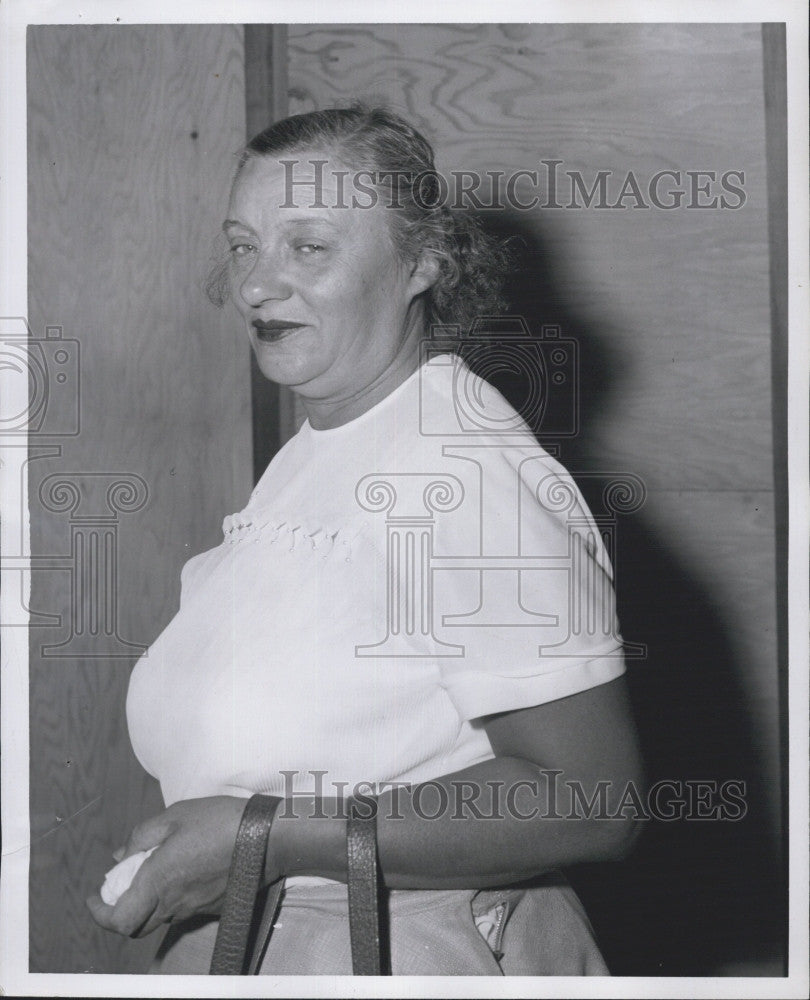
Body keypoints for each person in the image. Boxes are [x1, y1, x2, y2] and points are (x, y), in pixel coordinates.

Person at [87, 104, 645, 976]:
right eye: (244, 245)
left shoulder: (461, 471)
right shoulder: (329, 445)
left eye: (308, 246)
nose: (257, 285)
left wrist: (260, 840)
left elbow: (590, 801)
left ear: (423, 261)